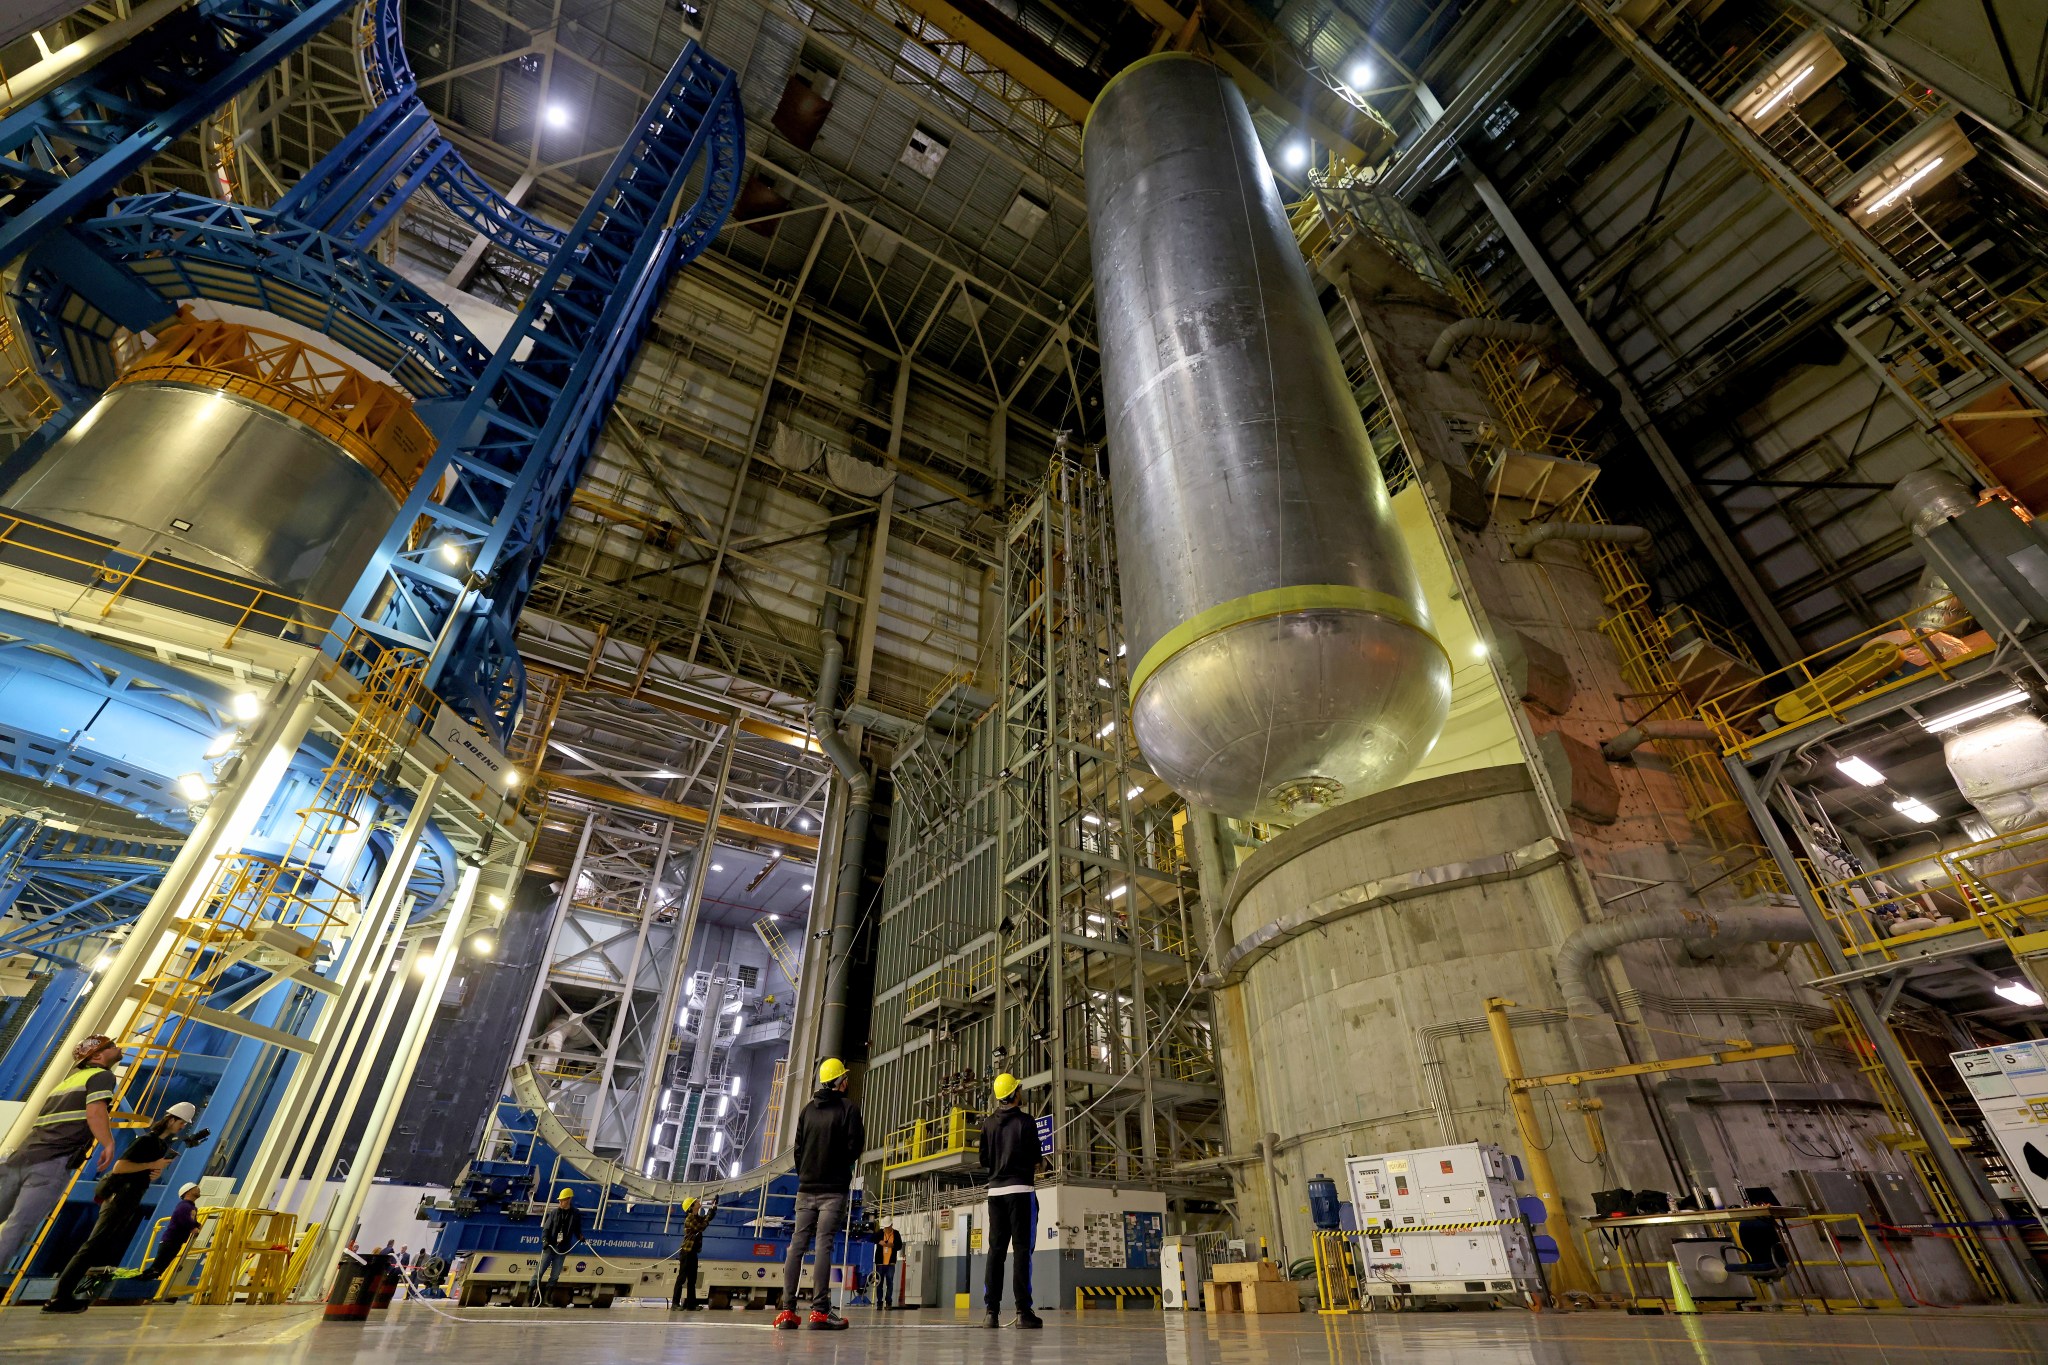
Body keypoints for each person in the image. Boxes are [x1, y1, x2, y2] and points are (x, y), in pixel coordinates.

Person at [44, 1100, 196, 1312]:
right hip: (119, 1197)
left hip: (129, 1198)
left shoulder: (160, 1146)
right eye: (182, 1123)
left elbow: (137, 1171)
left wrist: (153, 1173)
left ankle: (63, 1295)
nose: (183, 1127)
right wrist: (152, 1165)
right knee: (91, 1247)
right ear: (171, 1119)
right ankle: (58, 1297)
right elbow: (120, 1167)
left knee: (95, 1247)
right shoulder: (146, 1141)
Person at [0, 1035, 121, 1273]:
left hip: (20, 1157)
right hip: (51, 1162)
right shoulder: (103, 1076)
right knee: (18, 1226)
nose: (117, 1048)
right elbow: (95, 1112)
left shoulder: (68, 1081)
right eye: (112, 1046)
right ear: (97, 1056)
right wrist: (108, 1143)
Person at [773, 1058, 863, 1331]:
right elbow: (855, 1147)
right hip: (832, 1191)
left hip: (806, 1188)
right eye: (845, 1077)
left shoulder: (807, 1111)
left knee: (796, 1246)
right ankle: (819, 1312)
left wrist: (807, 1174)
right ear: (838, 1082)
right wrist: (839, 1169)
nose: (847, 1081)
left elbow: (798, 1151)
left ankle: (787, 1311)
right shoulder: (848, 1109)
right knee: (824, 1245)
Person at [978, 1073, 1041, 1329]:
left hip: (995, 1194)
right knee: (1022, 1251)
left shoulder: (988, 1124)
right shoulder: (1026, 1122)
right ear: (1014, 1095)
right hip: (1021, 1191)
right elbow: (1036, 1156)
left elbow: (984, 1160)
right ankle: (1023, 1312)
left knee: (996, 1252)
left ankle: (991, 1313)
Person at [139, 1182, 202, 1282]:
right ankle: (140, 1281)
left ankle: (143, 1281)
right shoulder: (184, 1206)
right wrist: (193, 1227)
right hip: (170, 1241)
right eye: (195, 1188)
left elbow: (189, 1219)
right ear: (188, 1192)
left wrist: (196, 1224)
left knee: (160, 1268)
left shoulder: (191, 1207)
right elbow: (182, 1218)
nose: (198, 1189)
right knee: (157, 1267)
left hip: (176, 1241)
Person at [529, 1188, 581, 1306]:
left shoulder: (575, 1214)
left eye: (562, 1200)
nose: (560, 1202)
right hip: (550, 1247)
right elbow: (546, 1228)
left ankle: (546, 1299)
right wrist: (545, 1240)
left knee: (555, 1275)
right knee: (539, 1272)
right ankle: (528, 1298)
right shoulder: (554, 1213)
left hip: (562, 1249)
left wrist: (580, 1237)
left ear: (568, 1200)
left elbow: (577, 1229)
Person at [670, 1195, 717, 1310]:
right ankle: (675, 1304)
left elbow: (706, 1219)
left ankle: (691, 1304)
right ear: (691, 1207)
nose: (698, 1202)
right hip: (686, 1252)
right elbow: (701, 1227)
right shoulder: (690, 1219)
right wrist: (708, 1216)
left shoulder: (696, 1217)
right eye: (696, 1201)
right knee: (681, 1278)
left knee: (692, 1279)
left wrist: (713, 1208)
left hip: (693, 1252)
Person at [873, 1220, 902, 1311]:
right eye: (885, 1227)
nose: (886, 1229)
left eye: (888, 1227)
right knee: (879, 1283)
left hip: (890, 1263)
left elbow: (899, 1246)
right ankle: (879, 1303)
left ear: (891, 1225)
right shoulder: (880, 1233)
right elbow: (872, 1239)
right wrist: (879, 1242)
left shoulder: (896, 1234)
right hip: (880, 1263)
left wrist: (892, 1245)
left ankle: (888, 1302)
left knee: (890, 1283)